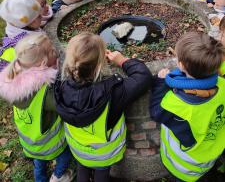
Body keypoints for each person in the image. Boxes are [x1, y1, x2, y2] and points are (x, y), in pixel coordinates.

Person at [54, 32, 153, 182]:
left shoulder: (59, 86)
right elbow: (143, 77)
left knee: (83, 167)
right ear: (100, 64)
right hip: (104, 154)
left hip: (78, 148)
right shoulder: (114, 92)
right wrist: (123, 61)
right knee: (101, 173)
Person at [150, 31, 225, 182]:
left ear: (181, 65)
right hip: (211, 154)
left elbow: (156, 112)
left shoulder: (176, 104)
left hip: (184, 166)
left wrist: (160, 83)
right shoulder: (222, 85)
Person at [0, 33, 74, 182]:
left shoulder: (13, 83)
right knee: (66, 155)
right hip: (50, 144)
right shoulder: (45, 92)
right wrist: (60, 74)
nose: (56, 50)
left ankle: (39, 179)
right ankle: (58, 176)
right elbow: (65, 104)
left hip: (29, 143)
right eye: (52, 51)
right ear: (42, 64)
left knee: (39, 162)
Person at [0, 0, 43, 71]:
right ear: (30, 22)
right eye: (39, 16)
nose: (42, 16)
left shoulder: (18, 26)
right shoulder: (28, 45)